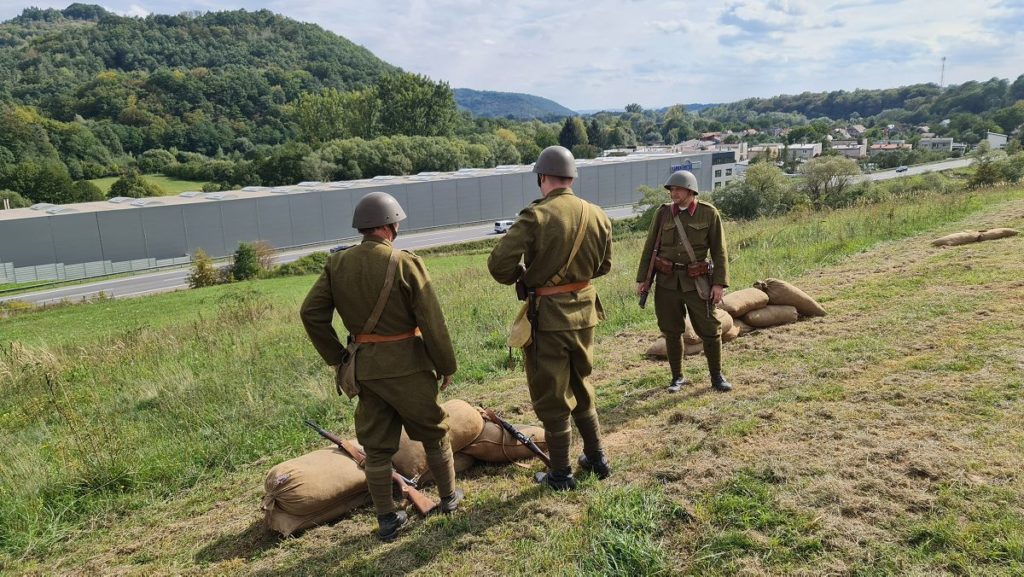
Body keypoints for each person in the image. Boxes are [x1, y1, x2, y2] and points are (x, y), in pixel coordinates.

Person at [300, 191, 463, 541]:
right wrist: (445, 364)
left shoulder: (337, 264)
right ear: (390, 225)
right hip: (408, 366)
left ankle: (388, 519)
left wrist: (338, 357)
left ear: (363, 227)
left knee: (375, 448)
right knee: (434, 432)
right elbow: (432, 320)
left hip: (365, 371)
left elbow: (310, 313)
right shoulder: (405, 262)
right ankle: (449, 498)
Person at [487, 145, 613, 491]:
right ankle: (597, 458)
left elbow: (499, 266)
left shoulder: (536, 216)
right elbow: (604, 265)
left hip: (550, 318)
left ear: (542, 177)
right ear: (571, 177)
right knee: (582, 384)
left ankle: (561, 473)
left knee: (552, 395)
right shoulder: (597, 214)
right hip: (585, 314)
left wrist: (526, 275)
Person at [636, 170, 733, 393]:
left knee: (709, 328)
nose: (673, 193)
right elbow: (650, 247)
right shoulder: (662, 214)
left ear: (690, 190)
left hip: (697, 282)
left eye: (678, 189)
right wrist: (643, 279)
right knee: (671, 330)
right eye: (671, 189)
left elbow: (719, 251)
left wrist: (719, 283)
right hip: (667, 282)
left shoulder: (708, 214)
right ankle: (677, 377)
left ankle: (716, 376)